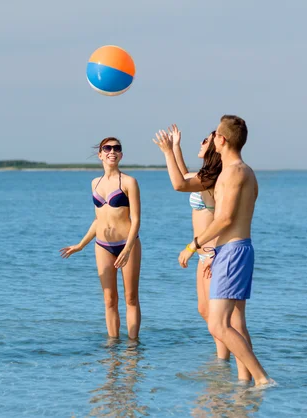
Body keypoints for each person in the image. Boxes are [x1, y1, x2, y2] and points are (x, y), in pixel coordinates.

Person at [175, 115, 271, 386]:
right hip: (233, 250)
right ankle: (244, 384)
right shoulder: (245, 171)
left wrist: (192, 246)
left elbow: (225, 219)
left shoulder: (234, 172)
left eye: (216, 134)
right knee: (235, 324)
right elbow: (184, 183)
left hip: (232, 251)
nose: (213, 137)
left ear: (223, 139)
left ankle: (262, 378)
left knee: (217, 325)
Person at [153, 125, 230, 361]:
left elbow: (179, 184)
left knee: (217, 319)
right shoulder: (204, 176)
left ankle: (223, 360)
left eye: (204, 141)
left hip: (212, 253)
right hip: (202, 253)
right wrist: (176, 147)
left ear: (214, 148)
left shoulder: (212, 179)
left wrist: (167, 152)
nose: (201, 143)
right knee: (204, 311)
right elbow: (185, 175)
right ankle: (223, 360)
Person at [60, 137, 142, 339]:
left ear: (121, 155)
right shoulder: (95, 183)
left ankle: (132, 347)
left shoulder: (129, 182)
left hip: (127, 244)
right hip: (103, 246)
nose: (111, 151)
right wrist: (80, 245)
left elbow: (136, 219)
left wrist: (128, 248)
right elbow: (98, 220)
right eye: (107, 148)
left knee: (130, 298)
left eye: (116, 148)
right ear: (100, 154)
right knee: (109, 299)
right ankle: (113, 348)